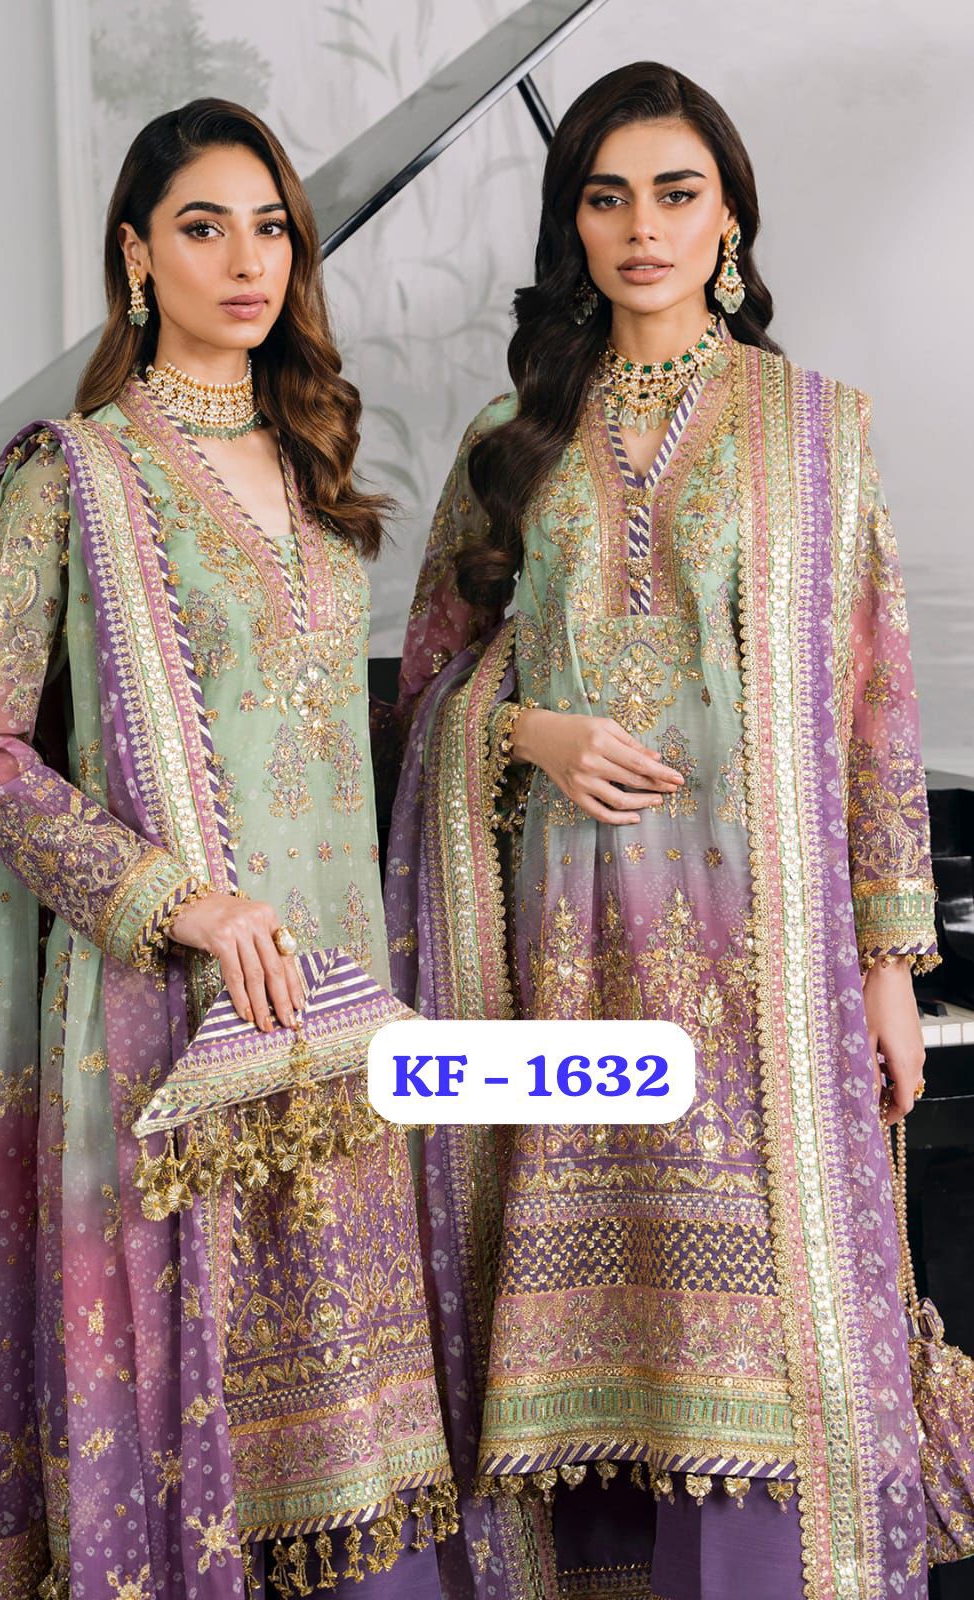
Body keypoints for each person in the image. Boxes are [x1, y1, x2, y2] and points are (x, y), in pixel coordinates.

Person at [387, 61, 942, 1600]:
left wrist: (888, 966)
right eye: (606, 197)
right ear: (572, 226)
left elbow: (873, 706)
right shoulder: (511, 439)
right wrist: (526, 730)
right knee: (585, 1353)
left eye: (675, 194)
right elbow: (424, 690)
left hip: (759, 970)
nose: (642, 228)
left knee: (758, 1344)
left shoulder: (813, 431)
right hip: (557, 974)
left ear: (729, 221)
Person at [0, 99, 454, 1600]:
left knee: (344, 1436)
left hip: (332, 1012)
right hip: (162, 1011)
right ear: (135, 254)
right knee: (193, 1406)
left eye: (270, 228)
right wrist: (178, 904)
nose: (245, 261)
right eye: (202, 227)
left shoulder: (318, 467)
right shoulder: (72, 475)